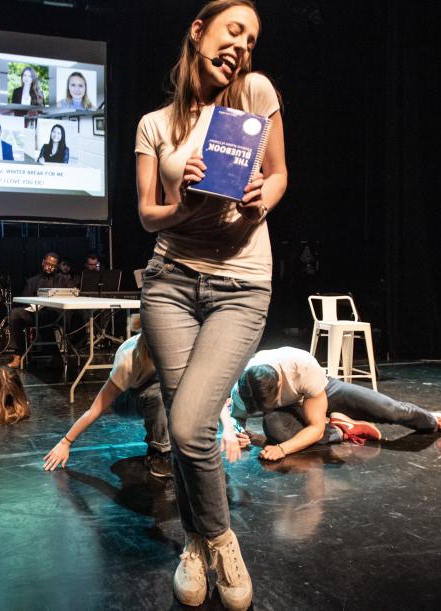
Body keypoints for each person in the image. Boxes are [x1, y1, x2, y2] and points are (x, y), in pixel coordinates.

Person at [134, 1, 287, 608]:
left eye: (250, 38)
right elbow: (148, 214)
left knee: (190, 424)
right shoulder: (153, 124)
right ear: (198, 31)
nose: (241, 46)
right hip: (170, 281)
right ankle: (207, 542)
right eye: (233, 30)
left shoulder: (254, 93)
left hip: (241, 284)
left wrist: (259, 200)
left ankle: (214, 540)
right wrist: (185, 208)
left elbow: (277, 175)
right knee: (184, 427)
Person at [220, 347, 441, 461]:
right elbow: (231, 414)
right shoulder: (245, 383)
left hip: (323, 391)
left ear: (278, 384)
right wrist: (237, 433)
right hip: (290, 409)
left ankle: (435, 420)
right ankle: (344, 429)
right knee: (274, 428)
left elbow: (314, 428)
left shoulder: (300, 366)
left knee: (390, 409)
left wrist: (283, 450)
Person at [43, 330, 172, 478]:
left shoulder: (176, 349)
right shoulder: (129, 360)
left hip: (152, 386)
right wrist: (65, 442)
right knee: (159, 394)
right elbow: (95, 409)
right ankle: (158, 455)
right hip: (125, 399)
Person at [6, 252, 69, 369]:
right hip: (36, 313)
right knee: (15, 313)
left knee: (47, 319)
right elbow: (24, 300)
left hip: (55, 314)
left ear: (57, 267)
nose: (50, 267)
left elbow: (69, 296)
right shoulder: (32, 281)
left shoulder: (63, 280)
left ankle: (56, 356)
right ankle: (18, 355)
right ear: (42, 263)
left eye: (53, 266)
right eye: (47, 264)